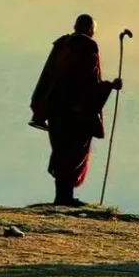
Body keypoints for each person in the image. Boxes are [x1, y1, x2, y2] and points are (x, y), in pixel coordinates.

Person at [30, 14, 122, 206]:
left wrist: (40, 108)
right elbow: (87, 82)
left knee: (61, 151)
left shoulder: (61, 45)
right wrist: (110, 86)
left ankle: (62, 196)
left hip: (55, 108)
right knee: (73, 152)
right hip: (76, 112)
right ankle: (65, 197)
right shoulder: (87, 46)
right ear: (90, 30)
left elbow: (47, 78)